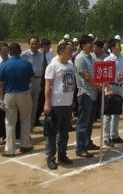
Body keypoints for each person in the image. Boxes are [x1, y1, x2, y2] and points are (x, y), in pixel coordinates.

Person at [0, 43, 35, 157]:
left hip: (9, 95)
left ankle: (10, 149)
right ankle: (25, 144)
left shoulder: (4, 65)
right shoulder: (26, 64)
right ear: (20, 52)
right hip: (24, 93)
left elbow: (0, 84)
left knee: (10, 122)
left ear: (10, 52)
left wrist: (0, 99)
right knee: (25, 119)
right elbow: (32, 79)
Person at [44, 41, 76, 170]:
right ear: (62, 52)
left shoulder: (70, 65)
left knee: (64, 132)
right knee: (52, 133)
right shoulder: (53, 66)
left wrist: (72, 98)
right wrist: (47, 103)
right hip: (56, 104)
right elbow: (48, 86)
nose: (71, 53)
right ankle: (50, 157)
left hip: (67, 104)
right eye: (69, 50)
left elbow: (72, 83)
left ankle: (62, 154)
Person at [74, 35, 101, 158]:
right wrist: (97, 86)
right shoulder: (80, 58)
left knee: (90, 121)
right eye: (90, 43)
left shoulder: (91, 57)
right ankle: (80, 147)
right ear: (84, 45)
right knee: (83, 122)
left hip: (93, 93)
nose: (92, 46)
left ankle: (87, 142)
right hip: (85, 93)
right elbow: (86, 76)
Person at [103, 38, 123, 146]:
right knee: (108, 113)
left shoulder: (121, 58)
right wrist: (109, 88)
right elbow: (104, 76)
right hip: (111, 86)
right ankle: (106, 137)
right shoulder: (108, 60)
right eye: (118, 45)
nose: (120, 46)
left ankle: (115, 135)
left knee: (117, 112)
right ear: (112, 47)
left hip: (119, 86)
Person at [21, 37, 44, 127]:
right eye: (32, 44)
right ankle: (25, 124)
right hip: (28, 81)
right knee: (27, 104)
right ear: (29, 44)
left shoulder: (41, 54)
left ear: (38, 44)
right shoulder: (24, 55)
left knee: (35, 103)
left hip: (38, 80)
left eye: (35, 44)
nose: (34, 46)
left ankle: (32, 123)